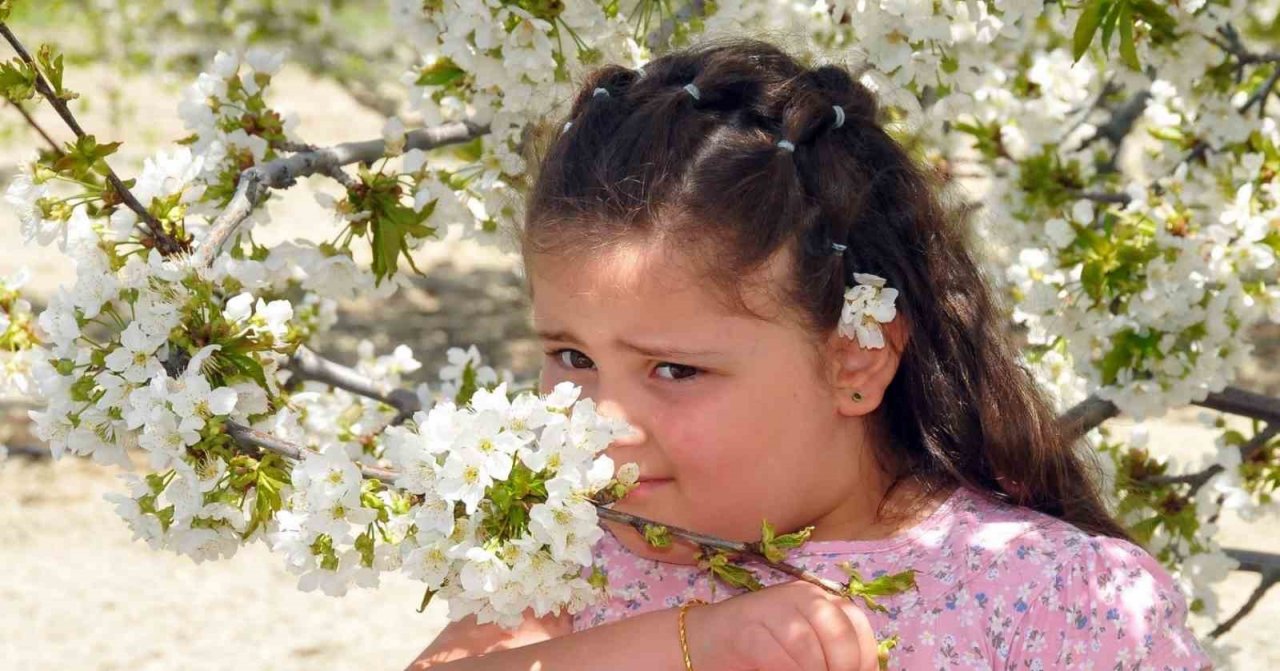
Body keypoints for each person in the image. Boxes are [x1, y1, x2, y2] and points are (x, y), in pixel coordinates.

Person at [406, 37, 1213, 671]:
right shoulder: (571, 556)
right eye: (572, 358)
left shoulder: (1055, 598)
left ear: (856, 359)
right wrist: (697, 644)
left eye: (674, 369)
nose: (598, 427)